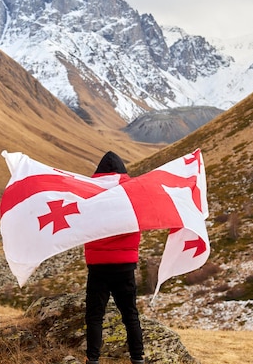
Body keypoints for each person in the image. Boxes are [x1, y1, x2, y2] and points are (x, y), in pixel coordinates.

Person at [84, 151, 145, 364]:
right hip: (125, 266)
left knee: (94, 317)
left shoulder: (89, 195)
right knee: (130, 315)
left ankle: (92, 360)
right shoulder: (134, 194)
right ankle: (138, 359)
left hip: (98, 266)